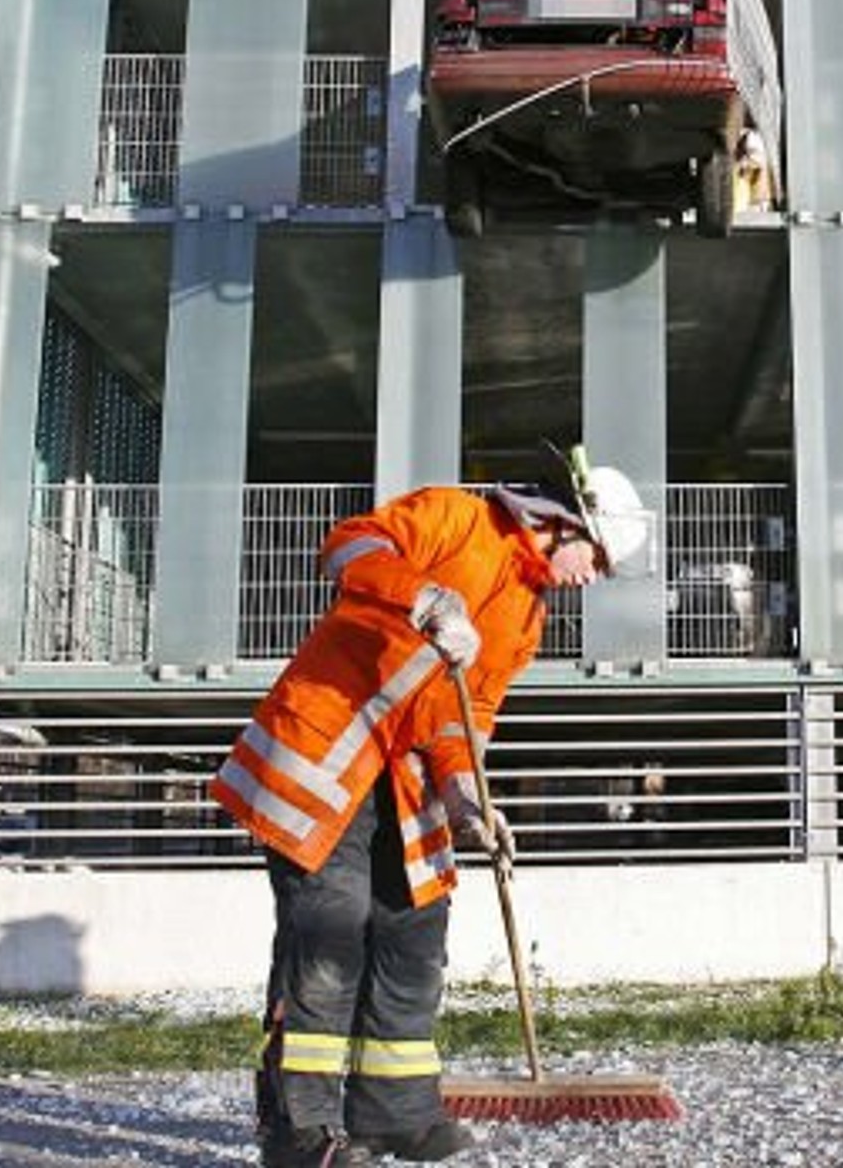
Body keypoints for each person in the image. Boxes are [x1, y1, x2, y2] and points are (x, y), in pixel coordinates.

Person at [210, 444, 650, 1167]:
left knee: (416, 928)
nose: (590, 580)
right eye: (595, 562)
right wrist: (423, 597)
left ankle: (394, 1112)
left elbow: (467, 714)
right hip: (326, 754)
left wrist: (468, 795)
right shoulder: (455, 516)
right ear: (566, 524)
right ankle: (299, 1131)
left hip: (405, 782)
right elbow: (348, 545)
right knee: (331, 931)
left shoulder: (526, 617)